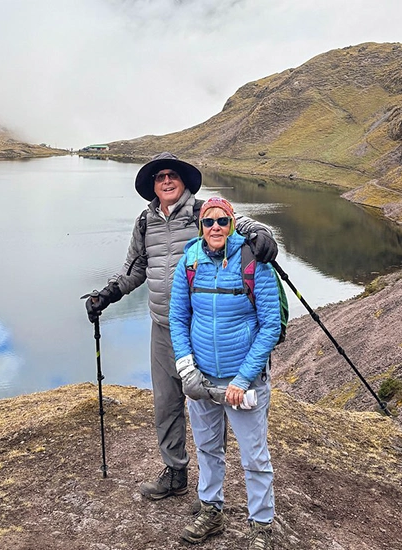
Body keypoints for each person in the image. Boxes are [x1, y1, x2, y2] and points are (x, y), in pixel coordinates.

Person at [84, 153, 278, 500]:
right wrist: (108, 294)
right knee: (166, 402)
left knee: (209, 400)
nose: (167, 181)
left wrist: (262, 233)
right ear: (153, 186)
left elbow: (240, 224)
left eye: (172, 175)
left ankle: (211, 489)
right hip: (163, 326)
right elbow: (135, 269)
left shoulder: (204, 212)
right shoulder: (145, 222)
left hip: (202, 329)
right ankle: (175, 472)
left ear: (184, 181)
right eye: (160, 177)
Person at [169, 196, 280, 549]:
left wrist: (243, 379)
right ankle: (211, 510)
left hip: (243, 380)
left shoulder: (253, 261)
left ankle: (261, 525)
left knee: (254, 456)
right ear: (200, 226)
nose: (215, 227)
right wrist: (187, 367)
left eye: (222, 221)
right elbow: (178, 317)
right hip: (202, 377)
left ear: (232, 224)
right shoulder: (190, 261)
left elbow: (270, 326)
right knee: (207, 448)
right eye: (208, 222)